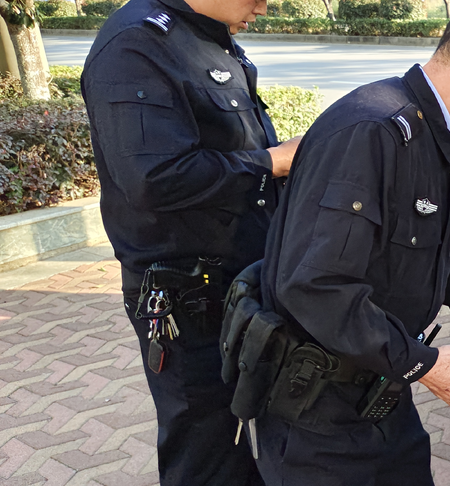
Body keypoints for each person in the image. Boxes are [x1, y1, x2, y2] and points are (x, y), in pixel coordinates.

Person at [252, 0, 450, 483]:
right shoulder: (371, 131)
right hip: (320, 415)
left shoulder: (427, 134)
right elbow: (316, 286)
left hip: (381, 389)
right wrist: (426, 366)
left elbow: (403, 250)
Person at [80, 0, 299, 482]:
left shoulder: (210, 36)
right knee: (204, 446)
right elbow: (153, 177)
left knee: (244, 439)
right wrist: (271, 162)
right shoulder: (137, 44)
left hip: (238, 281)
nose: (265, 7)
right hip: (187, 297)